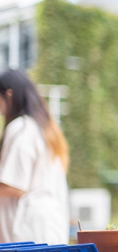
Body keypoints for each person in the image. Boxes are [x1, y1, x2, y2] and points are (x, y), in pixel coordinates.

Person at [0, 70, 70, 244]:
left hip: (28, 234)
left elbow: (14, 185)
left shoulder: (21, 129)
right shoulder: (43, 128)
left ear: (9, 95)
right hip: (49, 229)